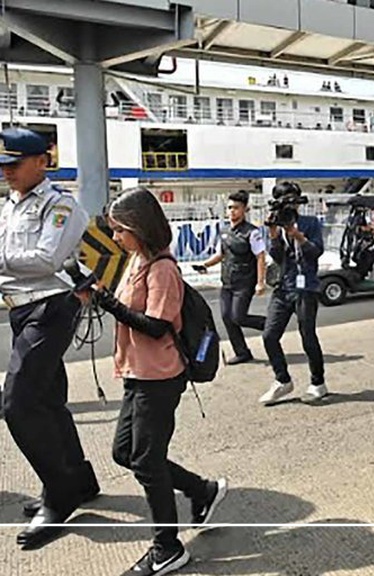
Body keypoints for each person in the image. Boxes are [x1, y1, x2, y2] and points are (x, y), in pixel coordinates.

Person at [85, 188, 227, 576]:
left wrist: (107, 302)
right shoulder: (135, 260)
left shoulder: (163, 269)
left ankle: (167, 548)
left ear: (139, 228)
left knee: (146, 460)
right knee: (125, 453)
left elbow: (157, 325)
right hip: (136, 373)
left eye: (119, 231)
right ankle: (202, 490)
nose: (115, 238)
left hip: (160, 378)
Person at [0, 127, 100, 550]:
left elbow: (48, 258)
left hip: (51, 309)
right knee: (48, 400)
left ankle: (59, 495)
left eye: (14, 164)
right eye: (2, 165)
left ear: (43, 160)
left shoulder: (62, 207)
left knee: (17, 404)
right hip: (21, 310)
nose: (7, 172)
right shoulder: (9, 205)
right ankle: (79, 478)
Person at [258, 182, 329, 405]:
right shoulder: (277, 225)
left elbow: (316, 252)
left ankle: (318, 383)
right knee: (269, 335)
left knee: (307, 335)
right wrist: (274, 235)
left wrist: (297, 234)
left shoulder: (311, 223)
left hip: (306, 286)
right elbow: (278, 257)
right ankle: (282, 380)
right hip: (283, 286)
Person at [196, 190, 267, 365]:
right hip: (227, 282)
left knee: (238, 317)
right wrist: (205, 265)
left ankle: (271, 324)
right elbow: (221, 254)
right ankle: (242, 352)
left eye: (236, 208)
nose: (232, 211)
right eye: (229, 208)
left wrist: (260, 282)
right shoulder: (225, 231)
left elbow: (261, 257)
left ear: (245, 210)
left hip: (245, 282)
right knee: (227, 317)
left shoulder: (252, 232)